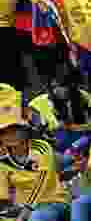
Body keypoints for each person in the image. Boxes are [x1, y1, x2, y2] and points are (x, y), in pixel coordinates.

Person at [0, 84, 70, 221]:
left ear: (24, 129)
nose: (10, 135)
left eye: (14, 129)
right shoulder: (2, 159)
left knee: (37, 217)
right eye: (4, 132)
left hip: (52, 201)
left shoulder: (41, 147)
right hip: (21, 208)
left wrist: (27, 210)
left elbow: (41, 184)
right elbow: (3, 193)